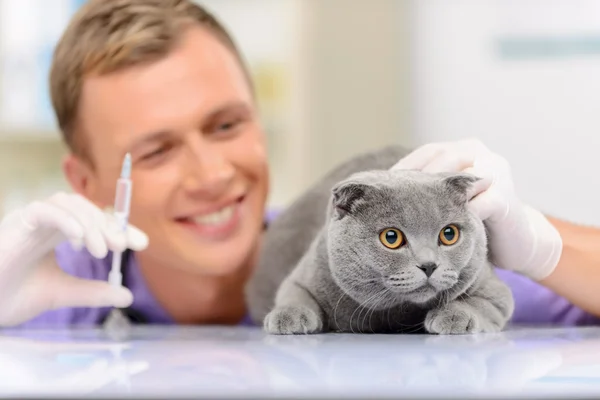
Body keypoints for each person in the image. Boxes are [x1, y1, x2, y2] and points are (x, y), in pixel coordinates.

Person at [0, 0, 597, 328]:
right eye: (157, 151)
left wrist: (541, 249)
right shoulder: (50, 289)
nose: (211, 175)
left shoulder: (379, 254)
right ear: (87, 181)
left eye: (226, 124)